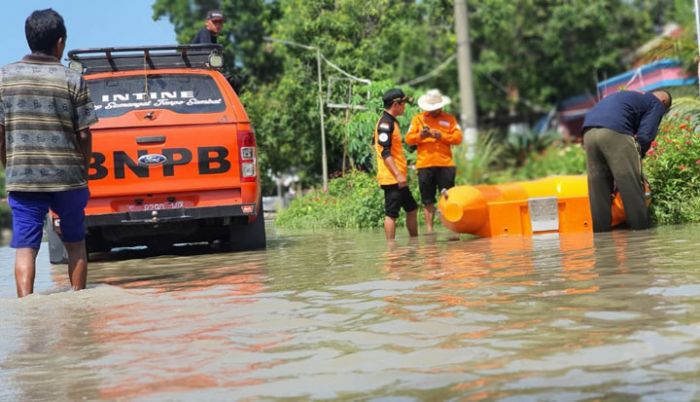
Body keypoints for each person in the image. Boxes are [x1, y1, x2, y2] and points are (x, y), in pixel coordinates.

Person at [0, 9, 98, 297]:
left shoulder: (4, 78)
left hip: (23, 177)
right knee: (75, 243)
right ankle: (79, 303)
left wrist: (8, 165)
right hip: (68, 178)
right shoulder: (73, 80)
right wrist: (85, 166)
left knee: (25, 248)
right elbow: (85, 133)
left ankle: (26, 308)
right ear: (59, 43)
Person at [582, 89, 671, 232]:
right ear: (664, 102)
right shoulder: (656, 103)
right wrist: (635, 158)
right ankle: (641, 232)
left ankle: (601, 236)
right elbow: (645, 135)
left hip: (588, 131)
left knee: (598, 188)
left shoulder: (633, 98)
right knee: (630, 184)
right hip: (614, 130)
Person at [406, 89, 463, 233]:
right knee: (427, 200)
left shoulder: (450, 119)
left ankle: (453, 230)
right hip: (425, 164)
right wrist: (421, 135)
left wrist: (441, 136)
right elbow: (408, 139)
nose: (432, 111)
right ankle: (430, 231)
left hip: (445, 164)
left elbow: (458, 138)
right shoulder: (418, 119)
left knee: (449, 197)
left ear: (441, 106)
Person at [374, 88, 418, 240]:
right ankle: (391, 249)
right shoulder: (385, 124)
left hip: (398, 177)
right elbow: (385, 152)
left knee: (412, 209)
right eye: (403, 103)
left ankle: (414, 242)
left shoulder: (392, 121)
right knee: (391, 214)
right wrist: (398, 175)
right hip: (392, 177)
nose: (404, 106)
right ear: (395, 104)